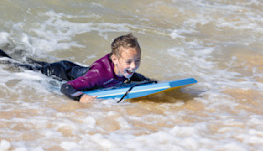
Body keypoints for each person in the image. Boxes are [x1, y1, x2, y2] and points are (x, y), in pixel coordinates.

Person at [0, 33, 154, 102]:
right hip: (58, 72)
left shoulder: (124, 68)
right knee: (17, 65)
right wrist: (80, 96)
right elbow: (66, 87)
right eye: (129, 62)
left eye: (137, 61)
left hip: (72, 68)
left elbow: (134, 76)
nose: (133, 66)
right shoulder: (99, 75)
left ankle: (16, 49)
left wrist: (150, 83)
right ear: (115, 59)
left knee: (30, 61)